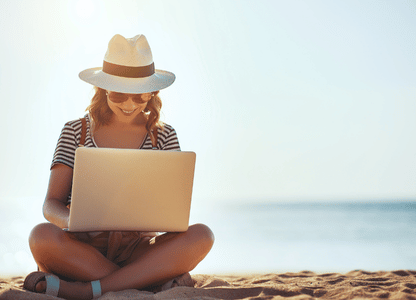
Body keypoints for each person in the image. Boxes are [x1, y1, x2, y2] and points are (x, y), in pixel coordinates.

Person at [24, 34, 214, 300]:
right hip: (83, 248)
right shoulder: (74, 131)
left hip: (139, 249)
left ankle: (88, 289)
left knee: (202, 235)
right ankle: (146, 280)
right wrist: (73, 222)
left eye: (140, 97)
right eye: (119, 94)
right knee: (40, 236)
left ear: (153, 93)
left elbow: (173, 211)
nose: (129, 104)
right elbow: (50, 204)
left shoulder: (164, 136)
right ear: (103, 89)